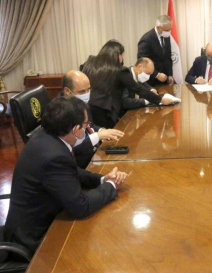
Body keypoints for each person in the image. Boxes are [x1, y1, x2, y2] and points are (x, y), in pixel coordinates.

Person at [2, 96, 128, 257]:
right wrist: (111, 187)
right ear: (76, 130)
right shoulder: (54, 156)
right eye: (85, 125)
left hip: (44, 216)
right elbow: (80, 207)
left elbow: (71, 170)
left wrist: (102, 179)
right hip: (34, 237)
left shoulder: (47, 136)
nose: (87, 129)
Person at [83, 40, 174, 128]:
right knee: (108, 138)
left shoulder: (90, 63)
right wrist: (160, 100)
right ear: (118, 55)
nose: (122, 58)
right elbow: (138, 89)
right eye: (122, 55)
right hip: (105, 110)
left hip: (86, 105)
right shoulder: (119, 70)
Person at [61, 70, 124, 168]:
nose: (87, 94)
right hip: (79, 164)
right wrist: (97, 136)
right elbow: (69, 151)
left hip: (93, 154)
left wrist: (102, 131)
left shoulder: (80, 103)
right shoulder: (60, 113)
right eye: (82, 91)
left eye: (88, 90)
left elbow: (89, 125)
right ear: (67, 91)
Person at [138, 15, 174, 86]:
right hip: (150, 81)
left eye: (170, 30)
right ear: (158, 27)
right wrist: (157, 75)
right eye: (166, 30)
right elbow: (143, 62)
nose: (169, 32)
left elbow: (167, 57)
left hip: (164, 80)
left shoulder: (166, 36)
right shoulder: (146, 39)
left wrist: (169, 74)